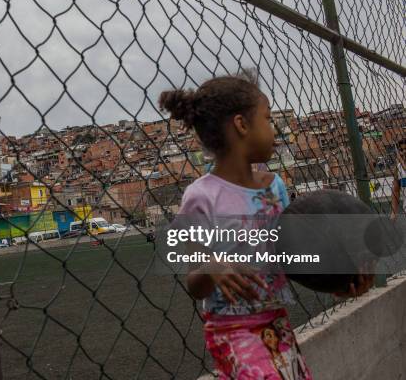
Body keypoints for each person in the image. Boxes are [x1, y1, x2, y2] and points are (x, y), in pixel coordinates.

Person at [159, 71, 373, 379]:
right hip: (231, 330)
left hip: (278, 321)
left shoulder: (275, 188)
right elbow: (194, 281)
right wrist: (212, 266)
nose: (274, 130)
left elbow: (291, 255)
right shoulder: (201, 196)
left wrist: (339, 281)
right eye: (268, 118)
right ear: (242, 125)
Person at [390, 138, 406, 220]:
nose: (404, 152)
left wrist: (400, 160)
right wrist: (394, 211)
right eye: (401, 150)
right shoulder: (399, 167)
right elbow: (396, 190)